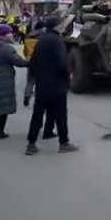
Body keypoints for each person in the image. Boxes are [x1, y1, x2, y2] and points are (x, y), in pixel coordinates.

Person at [25, 16, 78, 155]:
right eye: (60, 25)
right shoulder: (57, 41)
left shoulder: (41, 41)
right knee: (60, 116)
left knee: (37, 115)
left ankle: (31, 144)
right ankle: (64, 143)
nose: (62, 27)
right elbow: (62, 64)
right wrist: (68, 76)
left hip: (42, 86)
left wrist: (38, 79)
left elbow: (33, 64)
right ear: (56, 27)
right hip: (57, 86)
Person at [0, 24, 28, 139]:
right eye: (10, 33)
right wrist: (31, 62)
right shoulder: (6, 49)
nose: (12, 35)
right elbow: (19, 62)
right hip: (4, 83)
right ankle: (1, 132)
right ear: (4, 34)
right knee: (3, 108)